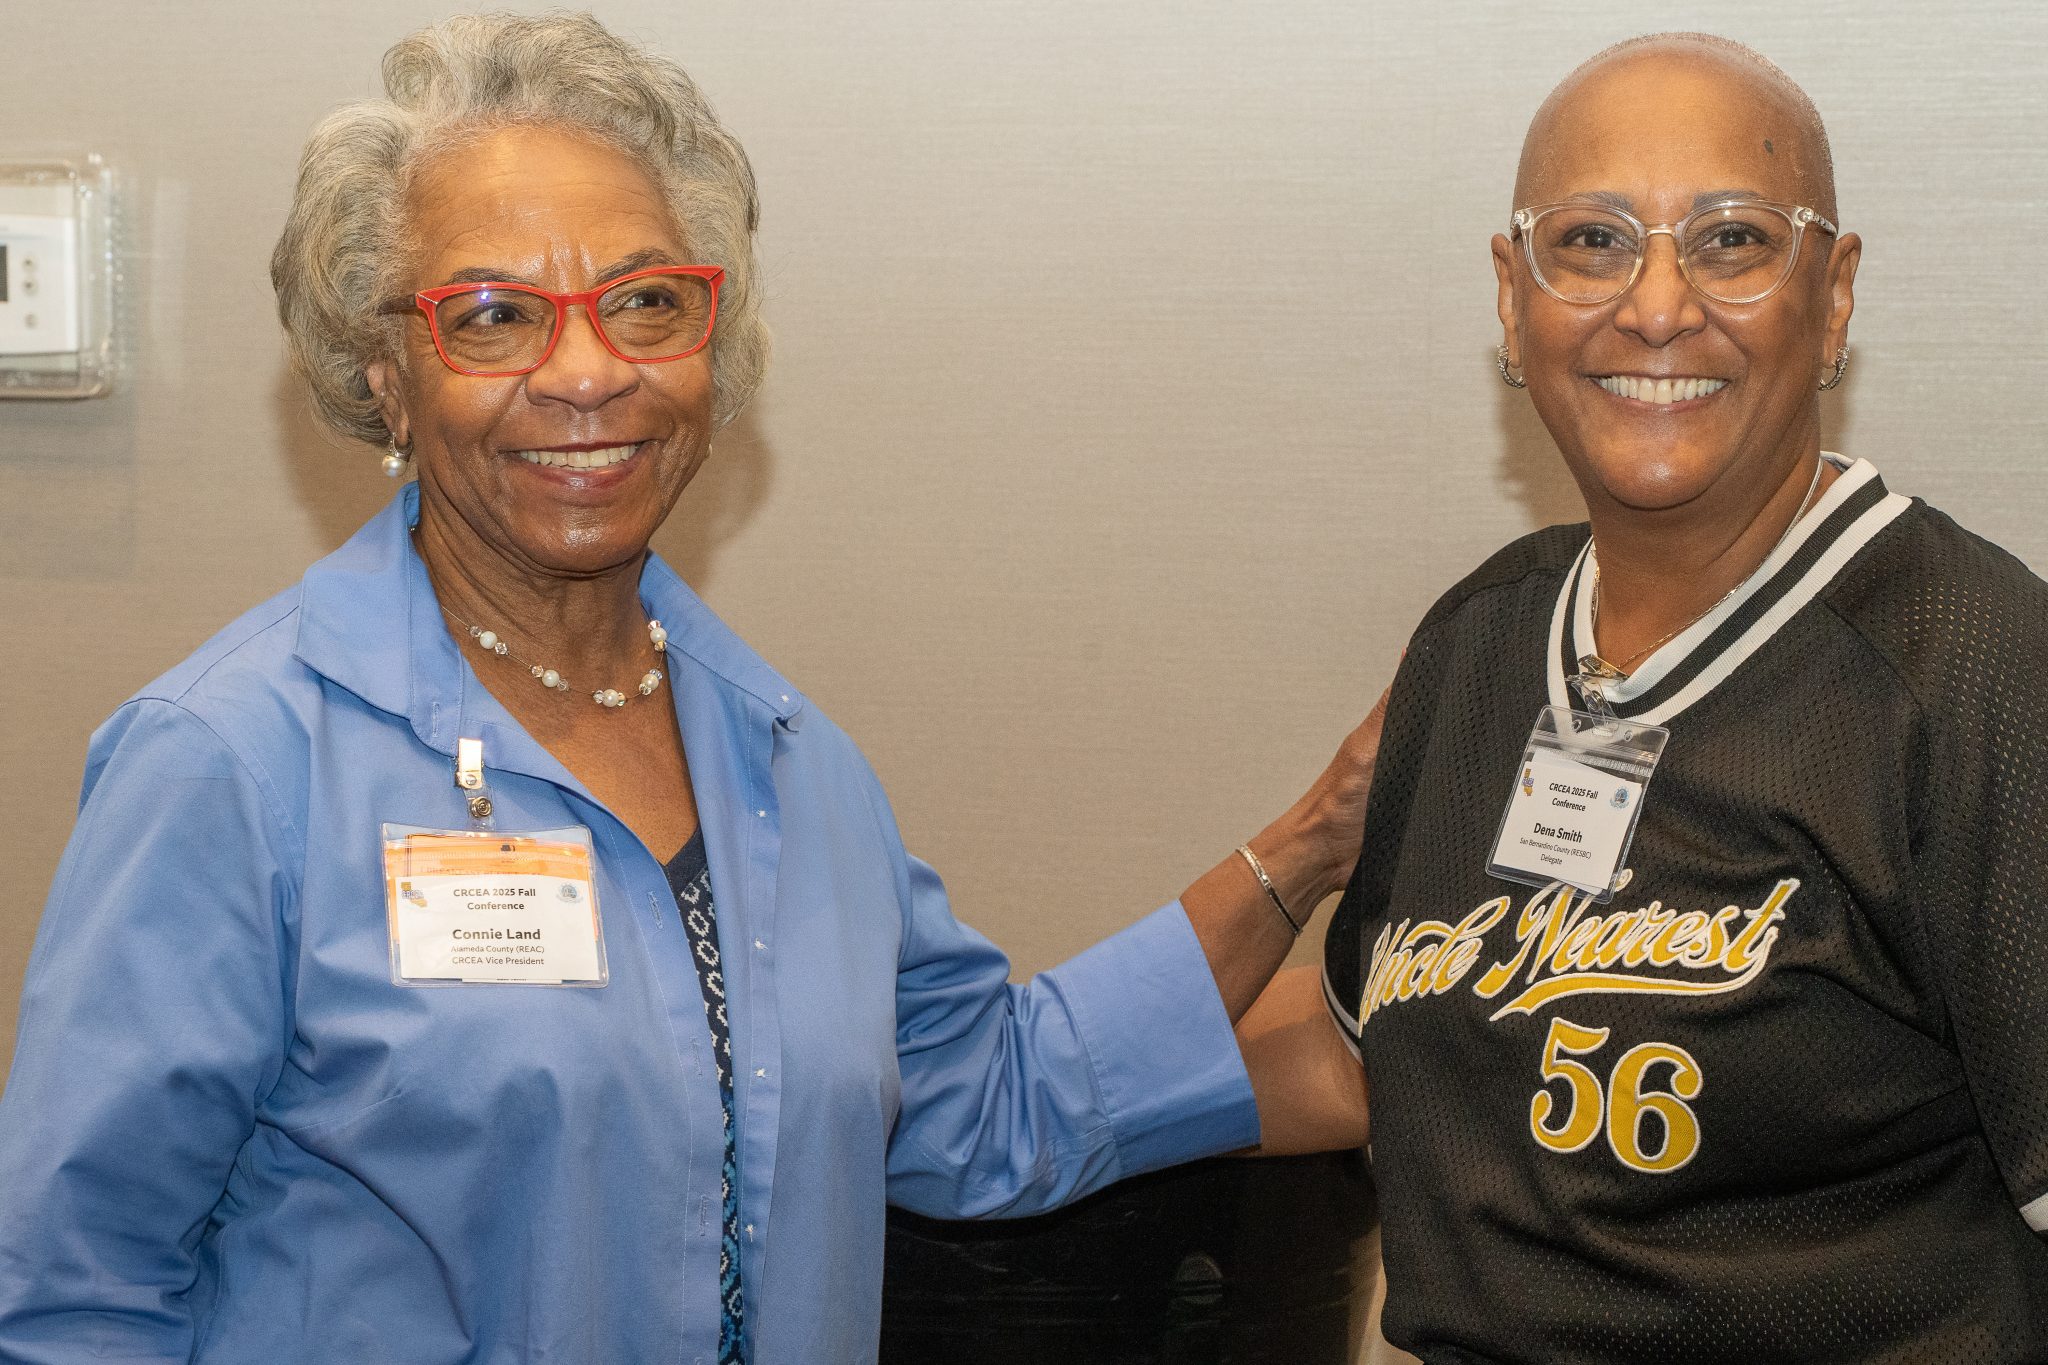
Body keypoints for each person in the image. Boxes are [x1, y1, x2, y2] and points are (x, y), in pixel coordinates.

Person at [0, 14, 1384, 1364]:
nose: (588, 370)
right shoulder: (233, 764)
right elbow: (70, 1299)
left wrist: (1320, 834)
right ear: (387, 376)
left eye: (646, 301)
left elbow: (989, 1100)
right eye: (494, 316)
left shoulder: (790, 760)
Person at [1236, 31, 2048, 1364]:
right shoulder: (1478, 643)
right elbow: (1366, 1049)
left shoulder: (1975, 670)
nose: (1658, 306)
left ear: (1834, 295)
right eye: (1591, 242)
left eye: (1732, 241)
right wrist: (993, 1097)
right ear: (1514, 298)